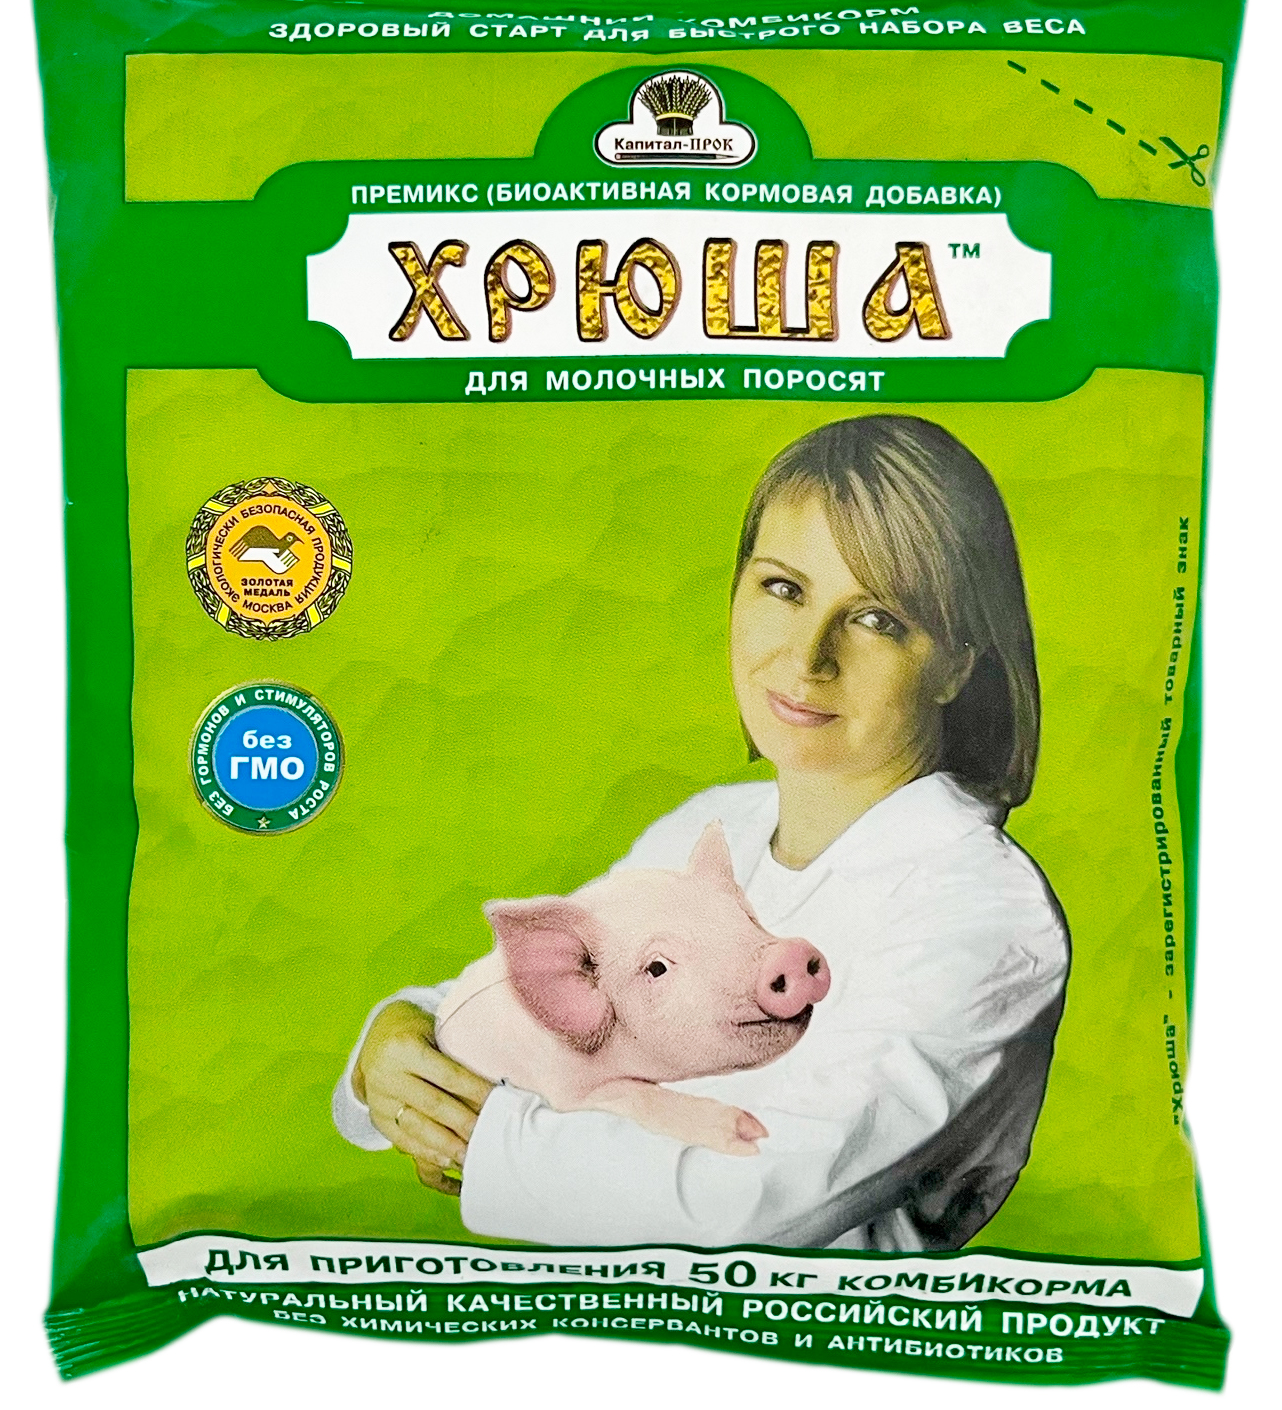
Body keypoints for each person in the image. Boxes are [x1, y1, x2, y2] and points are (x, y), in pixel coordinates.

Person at [332, 414, 1070, 1250]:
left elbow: (756, 1197)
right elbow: (558, 999)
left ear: (959, 663)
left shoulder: (985, 911)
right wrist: (396, 1039)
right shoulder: (711, 827)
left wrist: (478, 1131)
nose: (808, 658)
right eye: (784, 589)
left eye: (877, 619)